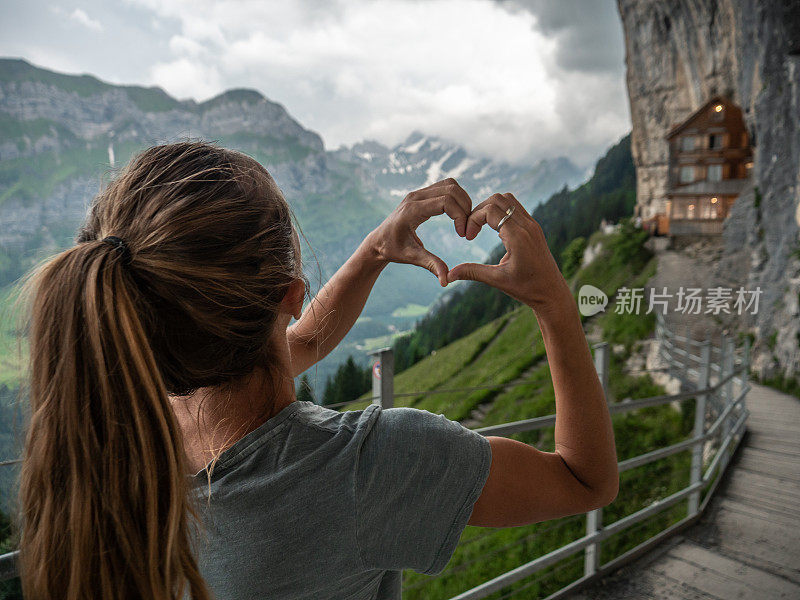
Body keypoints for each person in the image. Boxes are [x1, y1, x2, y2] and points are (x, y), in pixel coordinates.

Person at [17, 141, 618, 600]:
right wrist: (554, 304)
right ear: (289, 294)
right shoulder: (368, 469)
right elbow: (585, 480)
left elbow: (293, 342)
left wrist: (377, 249)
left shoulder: (120, 427)